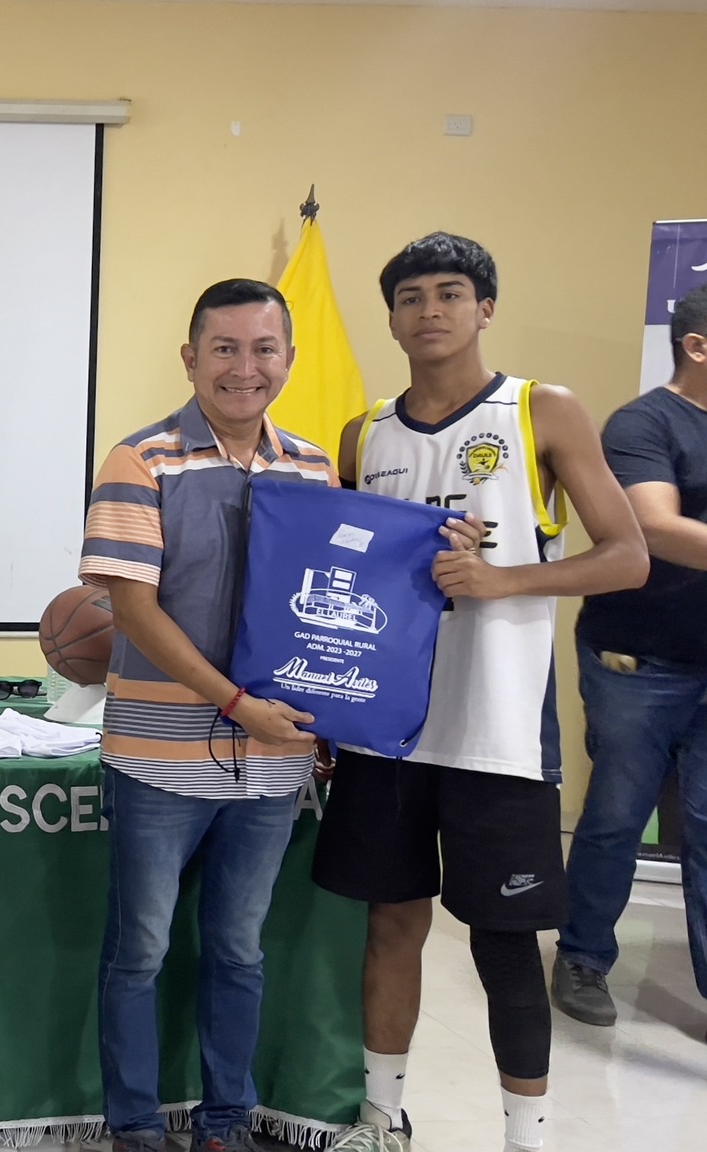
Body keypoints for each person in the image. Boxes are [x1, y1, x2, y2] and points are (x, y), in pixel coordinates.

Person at [315, 234, 648, 1152]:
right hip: (387, 730)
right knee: (391, 923)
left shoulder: (543, 409)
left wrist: (503, 580)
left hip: (495, 728)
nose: (430, 310)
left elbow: (628, 556)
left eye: (450, 293)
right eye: (411, 297)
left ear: (485, 308)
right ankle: (382, 1117)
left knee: (504, 941)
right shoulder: (364, 434)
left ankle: (525, 1138)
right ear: (391, 318)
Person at [79, 279, 339, 1152]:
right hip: (158, 760)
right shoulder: (139, 461)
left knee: (239, 951)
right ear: (191, 359)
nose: (244, 367)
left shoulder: (314, 470)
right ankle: (135, 1126)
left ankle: (226, 1120)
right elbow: (134, 608)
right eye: (223, 348)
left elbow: (330, 605)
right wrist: (235, 704)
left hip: (273, 765)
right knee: (141, 952)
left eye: (264, 348)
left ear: (289, 359)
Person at [554, 283, 707, 1026]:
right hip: (637, 659)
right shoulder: (643, 424)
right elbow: (655, 527)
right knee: (619, 814)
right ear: (697, 347)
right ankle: (583, 957)